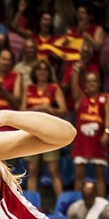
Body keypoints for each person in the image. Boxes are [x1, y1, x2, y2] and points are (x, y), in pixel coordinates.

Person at [22, 60, 67, 196]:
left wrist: (50, 109)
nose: (42, 72)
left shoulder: (54, 88)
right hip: (31, 131)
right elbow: (21, 110)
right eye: (39, 69)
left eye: (45, 69)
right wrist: (35, 109)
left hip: (49, 131)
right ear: (34, 72)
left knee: (54, 170)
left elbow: (64, 110)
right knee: (32, 170)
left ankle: (61, 202)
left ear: (49, 72)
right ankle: (31, 203)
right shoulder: (29, 89)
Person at [70, 71, 109, 196]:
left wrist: (107, 132)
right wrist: (76, 71)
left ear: (99, 83)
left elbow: (108, 116)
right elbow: (74, 86)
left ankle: (101, 204)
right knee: (79, 175)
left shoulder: (106, 98)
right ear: (84, 84)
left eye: (94, 81)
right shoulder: (81, 98)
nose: (91, 84)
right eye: (88, 81)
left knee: (100, 175)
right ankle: (77, 203)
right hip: (82, 141)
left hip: (98, 140)